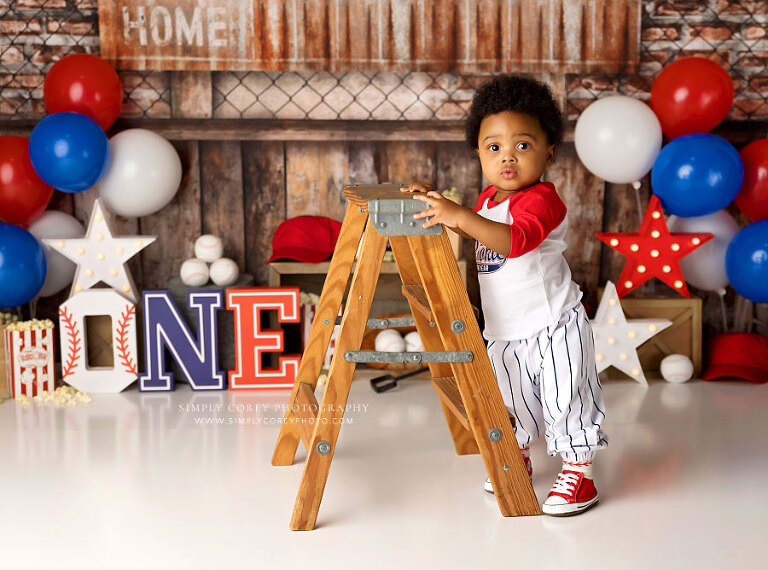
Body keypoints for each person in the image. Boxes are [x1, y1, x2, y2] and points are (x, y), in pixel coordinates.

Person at [402, 74, 607, 516]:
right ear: (477, 152)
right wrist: (438, 205)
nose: (507, 157)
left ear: (549, 150)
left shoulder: (542, 199)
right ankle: (520, 456)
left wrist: (458, 214)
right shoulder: (489, 199)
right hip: (505, 329)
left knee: (564, 397)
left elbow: (514, 241)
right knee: (513, 403)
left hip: (553, 323)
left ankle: (579, 472)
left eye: (523, 145)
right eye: (493, 147)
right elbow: (472, 225)